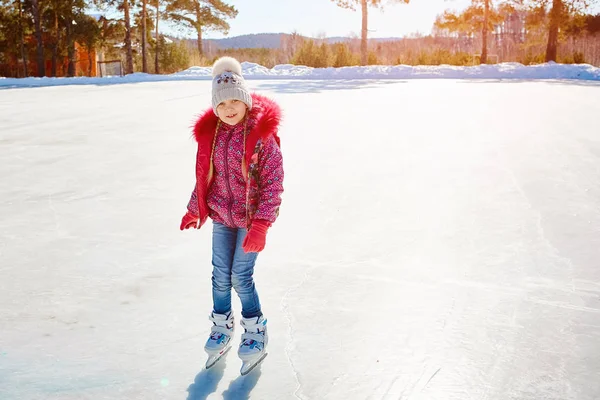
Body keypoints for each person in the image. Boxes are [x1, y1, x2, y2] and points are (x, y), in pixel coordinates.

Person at [180, 56, 284, 368]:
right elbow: (204, 176)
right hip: (222, 218)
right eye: (221, 104)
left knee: (241, 276)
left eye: (234, 101)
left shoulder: (261, 136)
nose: (229, 109)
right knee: (219, 276)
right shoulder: (212, 136)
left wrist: (262, 225)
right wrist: (194, 208)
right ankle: (222, 326)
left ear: (245, 99)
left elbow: (273, 183)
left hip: (250, 220)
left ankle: (255, 328)